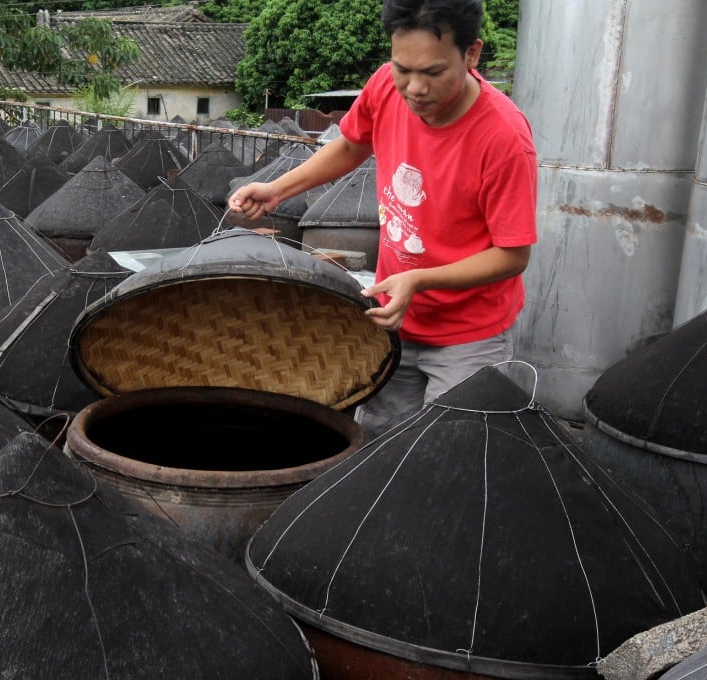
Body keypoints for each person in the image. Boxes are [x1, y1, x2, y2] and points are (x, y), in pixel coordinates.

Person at [228, 0, 538, 434]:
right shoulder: (385, 88)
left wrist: (419, 280)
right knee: (379, 450)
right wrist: (279, 189)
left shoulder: (503, 138)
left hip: (469, 335)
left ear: (471, 54)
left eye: (432, 73)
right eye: (401, 69)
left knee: (451, 451)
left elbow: (512, 255)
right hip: (393, 319)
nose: (413, 88)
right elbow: (354, 145)